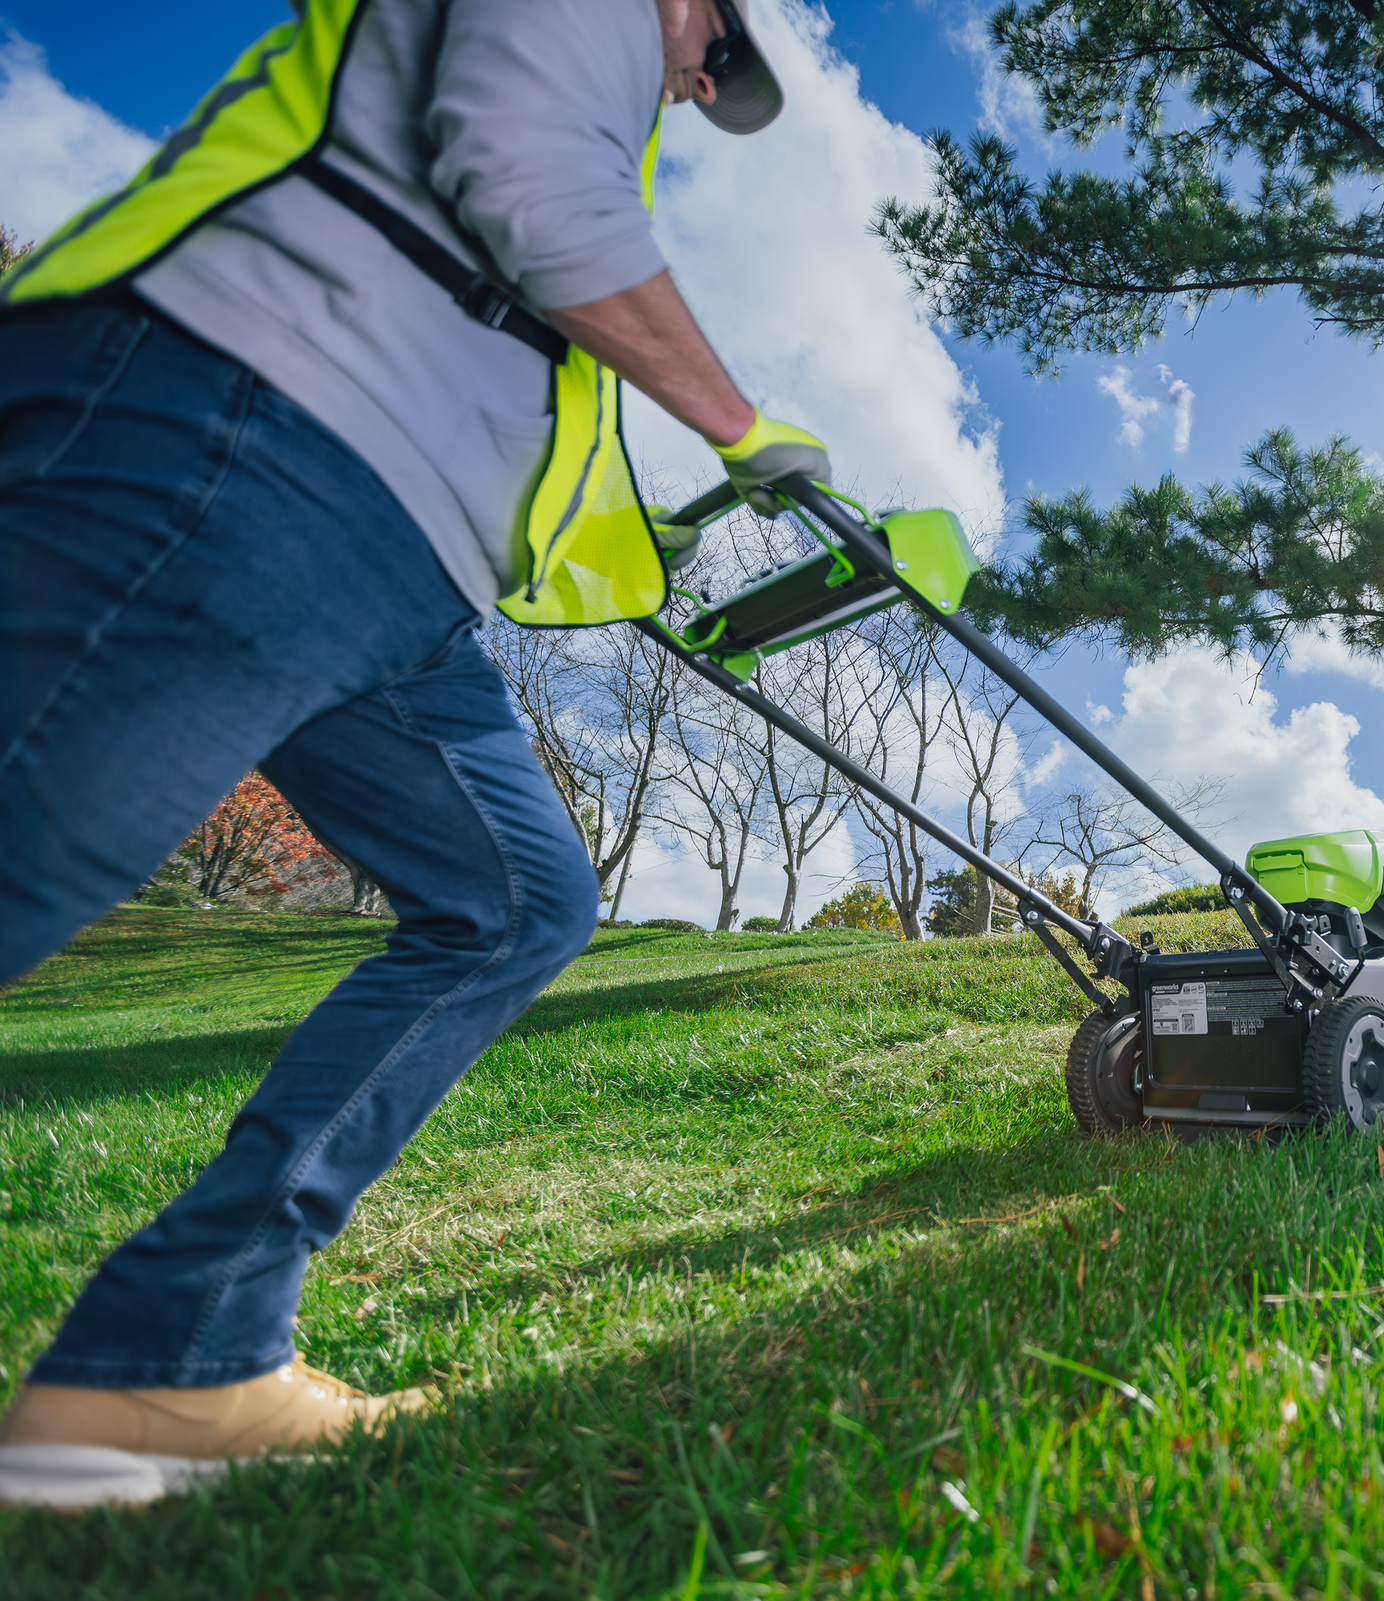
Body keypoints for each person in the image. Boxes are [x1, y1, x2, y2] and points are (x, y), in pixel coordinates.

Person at [0, 0, 829, 1509]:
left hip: (393, 576)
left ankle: (175, 1354)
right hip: (257, 424)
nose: (701, 81)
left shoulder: (630, 91)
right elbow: (524, 178)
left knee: (517, 899)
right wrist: (736, 421)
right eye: (717, 46)